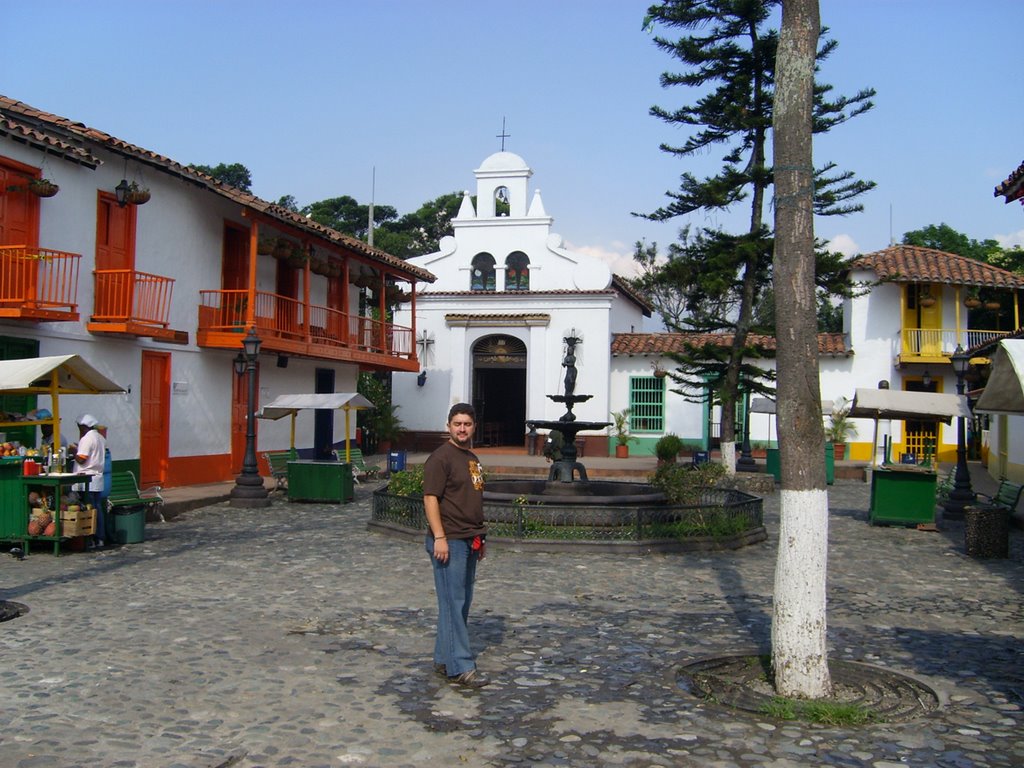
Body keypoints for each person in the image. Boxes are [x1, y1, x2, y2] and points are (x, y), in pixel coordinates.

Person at [423, 402, 489, 688]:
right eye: (457, 423)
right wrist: (439, 536)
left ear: (474, 427)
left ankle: (443, 658)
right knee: (453, 603)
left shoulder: (472, 458)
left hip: (469, 538)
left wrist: (480, 537)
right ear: (448, 426)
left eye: (467, 424)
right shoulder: (440, 458)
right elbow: (430, 498)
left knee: (459, 604)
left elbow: (471, 500)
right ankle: (461, 666)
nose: (462, 429)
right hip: (448, 539)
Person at [72, 414, 107, 549]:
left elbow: (82, 459)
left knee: (88, 510)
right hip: (97, 478)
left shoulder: (87, 439)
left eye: (80, 427)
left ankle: (91, 538)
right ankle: (100, 538)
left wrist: (74, 451)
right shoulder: (100, 437)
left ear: (84, 426)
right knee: (97, 508)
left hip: (86, 479)